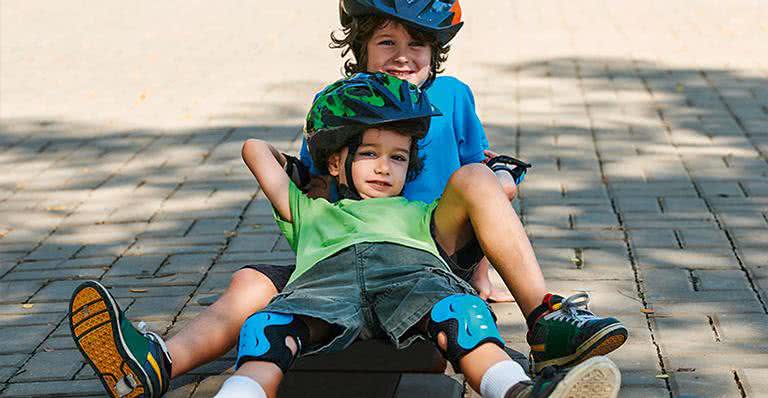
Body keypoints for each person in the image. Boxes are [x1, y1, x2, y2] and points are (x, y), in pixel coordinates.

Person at [69, 73, 623, 398]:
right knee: (265, 327)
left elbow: (477, 194)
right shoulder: (310, 210)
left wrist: (492, 172)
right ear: (338, 161)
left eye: (399, 158)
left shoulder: (423, 212)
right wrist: (316, 164)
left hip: (413, 281)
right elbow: (253, 150)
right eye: (369, 155)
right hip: (323, 289)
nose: (385, 168)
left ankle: (517, 391)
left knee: (465, 315)